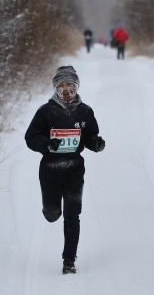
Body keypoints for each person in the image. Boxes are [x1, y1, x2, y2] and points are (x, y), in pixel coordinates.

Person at [24, 66, 106, 273]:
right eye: (62, 86)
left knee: (73, 214)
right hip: (50, 169)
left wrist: (96, 144)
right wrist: (46, 144)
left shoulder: (85, 111)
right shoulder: (45, 111)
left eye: (70, 85)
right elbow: (30, 138)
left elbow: (90, 136)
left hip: (74, 170)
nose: (67, 90)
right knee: (53, 214)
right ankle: (50, 211)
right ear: (56, 88)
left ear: (77, 87)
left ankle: (69, 261)